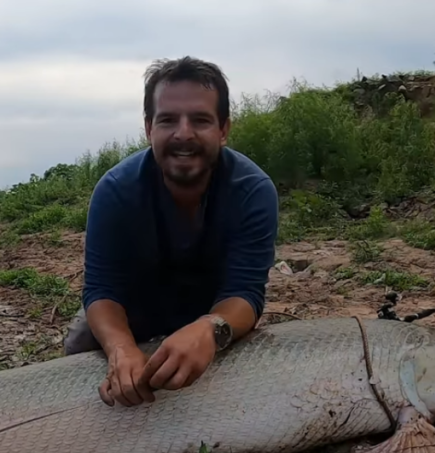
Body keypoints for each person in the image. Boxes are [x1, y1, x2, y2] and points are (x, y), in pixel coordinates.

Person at [64, 56, 279, 408]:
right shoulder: (115, 190)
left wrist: (209, 328)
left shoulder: (253, 191)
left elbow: (245, 293)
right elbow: (102, 290)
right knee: (79, 354)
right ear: (149, 128)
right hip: (133, 308)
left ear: (223, 129)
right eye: (167, 120)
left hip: (210, 308)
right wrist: (121, 349)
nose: (183, 133)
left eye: (200, 120)